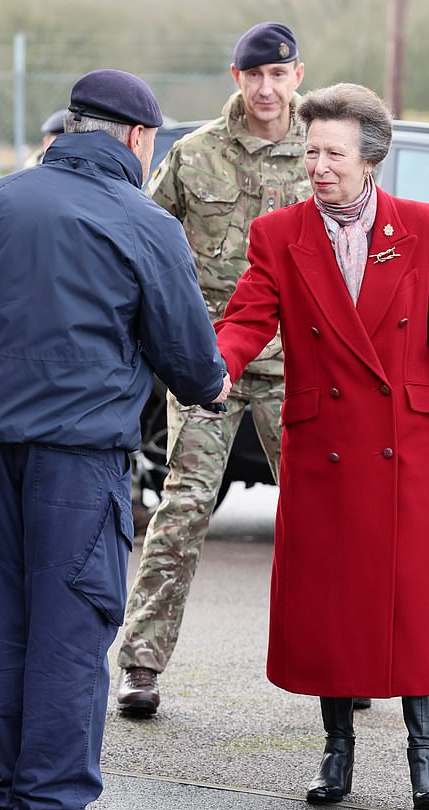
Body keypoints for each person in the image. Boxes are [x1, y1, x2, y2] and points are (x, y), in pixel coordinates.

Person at [0, 68, 229, 810]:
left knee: (1, 631)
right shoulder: (143, 222)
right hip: (78, 467)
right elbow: (191, 360)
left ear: (71, 128)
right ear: (138, 138)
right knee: (69, 636)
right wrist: (214, 385)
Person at [213, 83, 429, 810]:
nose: (316, 165)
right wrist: (214, 368)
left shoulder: (423, 226)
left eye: (332, 152)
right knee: (331, 604)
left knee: (410, 608)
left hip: (403, 446)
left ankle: (427, 763)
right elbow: (246, 319)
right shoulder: (280, 234)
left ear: (371, 161)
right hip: (323, 443)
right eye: (310, 150)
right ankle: (338, 754)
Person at [116, 21, 312, 716]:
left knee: (321, 510)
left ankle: (339, 657)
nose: (266, 88)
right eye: (254, 75)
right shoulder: (194, 155)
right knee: (185, 506)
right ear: (238, 77)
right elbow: (142, 238)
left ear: (296, 76)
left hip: (299, 364)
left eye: (279, 75)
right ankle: (140, 664)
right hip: (209, 363)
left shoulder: (320, 153)